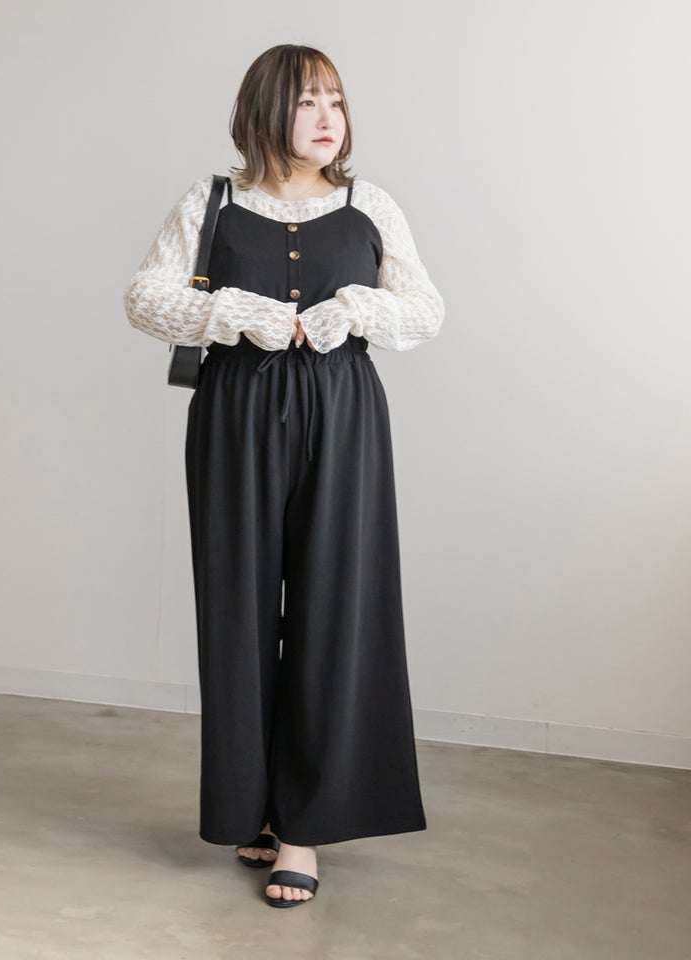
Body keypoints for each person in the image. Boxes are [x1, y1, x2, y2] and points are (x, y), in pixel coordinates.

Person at [123, 43, 445, 909]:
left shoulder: (368, 204)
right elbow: (145, 298)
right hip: (234, 414)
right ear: (266, 109)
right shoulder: (212, 201)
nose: (328, 117)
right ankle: (252, 809)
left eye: (335, 100)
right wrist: (234, 311)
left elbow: (425, 310)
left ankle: (304, 829)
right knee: (237, 610)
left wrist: (353, 308)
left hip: (342, 415)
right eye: (308, 101)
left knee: (335, 606)